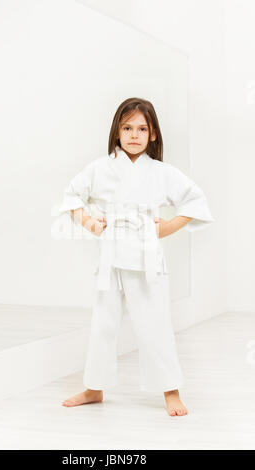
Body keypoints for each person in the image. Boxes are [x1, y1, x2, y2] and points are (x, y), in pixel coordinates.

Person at [51, 97, 214, 416]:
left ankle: (171, 389)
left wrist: (166, 227)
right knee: (103, 323)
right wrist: (88, 221)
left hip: (146, 256)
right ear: (116, 132)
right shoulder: (100, 168)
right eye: (127, 127)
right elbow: (71, 196)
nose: (134, 134)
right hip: (111, 254)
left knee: (155, 324)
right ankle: (94, 388)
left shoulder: (162, 172)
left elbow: (195, 201)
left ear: (153, 134)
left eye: (142, 128)